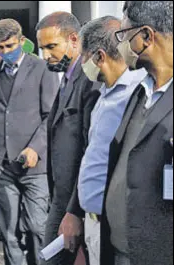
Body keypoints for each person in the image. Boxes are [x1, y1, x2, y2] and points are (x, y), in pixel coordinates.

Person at [101, 2, 173, 265]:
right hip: (123, 249)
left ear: (146, 36)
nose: (121, 46)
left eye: (124, 35)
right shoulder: (141, 92)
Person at [0, 18, 59, 265]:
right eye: (1, 47)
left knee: (38, 227)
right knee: (9, 231)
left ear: (22, 42)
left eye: (10, 46)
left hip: (34, 166)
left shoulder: (42, 68)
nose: (5, 52)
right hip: (3, 166)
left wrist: (35, 147)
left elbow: (51, 115)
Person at [77, 16, 147, 265]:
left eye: (83, 57)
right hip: (93, 220)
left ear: (99, 56)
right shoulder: (103, 94)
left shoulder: (136, 94)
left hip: (116, 226)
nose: (82, 65)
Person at [36, 12, 101, 265]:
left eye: (52, 46)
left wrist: (76, 211)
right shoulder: (68, 79)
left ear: (74, 40)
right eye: (43, 48)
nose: (46, 55)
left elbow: (90, 151)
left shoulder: (89, 82)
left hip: (75, 203)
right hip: (61, 198)